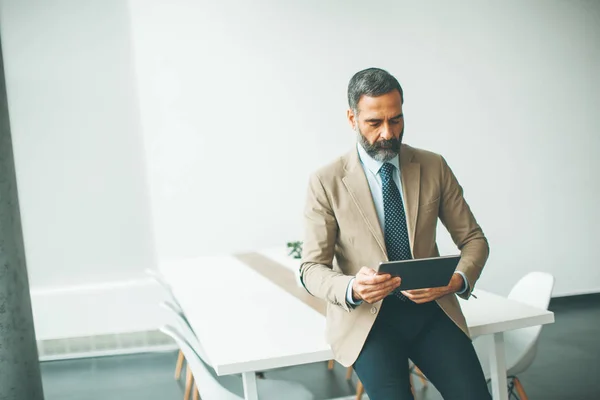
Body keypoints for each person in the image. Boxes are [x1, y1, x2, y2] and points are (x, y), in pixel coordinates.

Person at [299, 67, 492, 400]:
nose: (388, 133)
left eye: (396, 119)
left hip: (432, 310)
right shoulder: (325, 181)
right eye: (375, 123)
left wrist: (456, 280)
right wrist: (351, 287)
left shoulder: (434, 166)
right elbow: (311, 269)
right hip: (367, 321)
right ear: (352, 118)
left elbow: (473, 240)